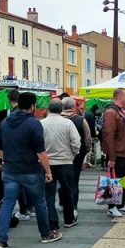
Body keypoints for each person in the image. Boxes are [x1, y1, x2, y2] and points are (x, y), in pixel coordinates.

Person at [0, 92, 62, 248]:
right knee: (39, 202)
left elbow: (0, 149)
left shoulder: (4, 123)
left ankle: (1, 240)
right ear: (32, 106)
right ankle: (46, 234)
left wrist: (7, 161)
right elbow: (41, 152)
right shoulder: (33, 124)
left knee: (8, 204)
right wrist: (48, 172)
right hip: (30, 170)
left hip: (10, 170)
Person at [0, 89, 34, 221]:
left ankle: (23, 209)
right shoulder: (29, 115)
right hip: (27, 155)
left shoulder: (4, 115)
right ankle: (30, 207)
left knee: (15, 183)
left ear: (8, 100)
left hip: (8, 155)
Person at [42, 98, 81, 229]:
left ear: (48, 109)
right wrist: (72, 154)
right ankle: (69, 219)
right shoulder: (68, 123)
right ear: (61, 109)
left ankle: (52, 222)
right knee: (67, 191)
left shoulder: (41, 124)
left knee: (49, 194)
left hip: (47, 163)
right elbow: (76, 142)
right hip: (65, 162)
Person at [102, 88, 125, 217]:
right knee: (114, 180)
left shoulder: (122, 112)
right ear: (119, 97)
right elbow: (108, 135)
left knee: (123, 180)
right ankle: (112, 206)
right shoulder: (111, 112)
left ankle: (121, 204)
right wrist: (111, 156)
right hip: (118, 152)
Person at [61, 97, 91, 215]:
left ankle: (63, 204)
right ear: (73, 107)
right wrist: (86, 150)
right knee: (74, 181)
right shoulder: (80, 120)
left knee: (62, 181)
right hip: (77, 155)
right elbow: (87, 138)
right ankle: (73, 206)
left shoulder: (55, 120)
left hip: (59, 155)